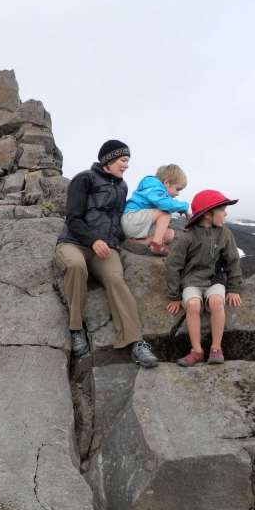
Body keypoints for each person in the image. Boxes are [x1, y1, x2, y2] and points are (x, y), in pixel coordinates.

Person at [54, 139, 159, 367]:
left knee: (116, 279)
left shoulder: (122, 187)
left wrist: (135, 239)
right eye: (123, 160)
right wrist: (93, 240)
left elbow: (117, 221)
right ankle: (76, 329)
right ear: (108, 160)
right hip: (74, 243)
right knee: (75, 267)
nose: (126, 165)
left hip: (105, 249)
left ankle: (136, 342)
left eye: (128, 161)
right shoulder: (84, 179)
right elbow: (72, 218)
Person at [165, 189, 244, 366]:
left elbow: (233, 260)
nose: (226, 213)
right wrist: (174, 296)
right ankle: (197, 351)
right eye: (222, 210)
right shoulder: (188, 236)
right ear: (208, 214)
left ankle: (216, 348)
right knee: (193, 305)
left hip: (215, 279)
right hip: (191, 281)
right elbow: (173, 265)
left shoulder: (225, 234)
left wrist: (234, 288)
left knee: (216, 302)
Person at [122, 164, 189, 256]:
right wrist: (184, 206)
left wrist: (178, 208)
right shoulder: (153, 187)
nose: (178, 193)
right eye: (177, 189)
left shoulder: (159, 194)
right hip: (131, 219)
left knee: (169, 234)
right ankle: (157, 244)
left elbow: (165, 203)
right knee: (165, 212)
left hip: (140, 224)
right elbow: (165, 204)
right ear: (166, 183)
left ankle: (137, 243)